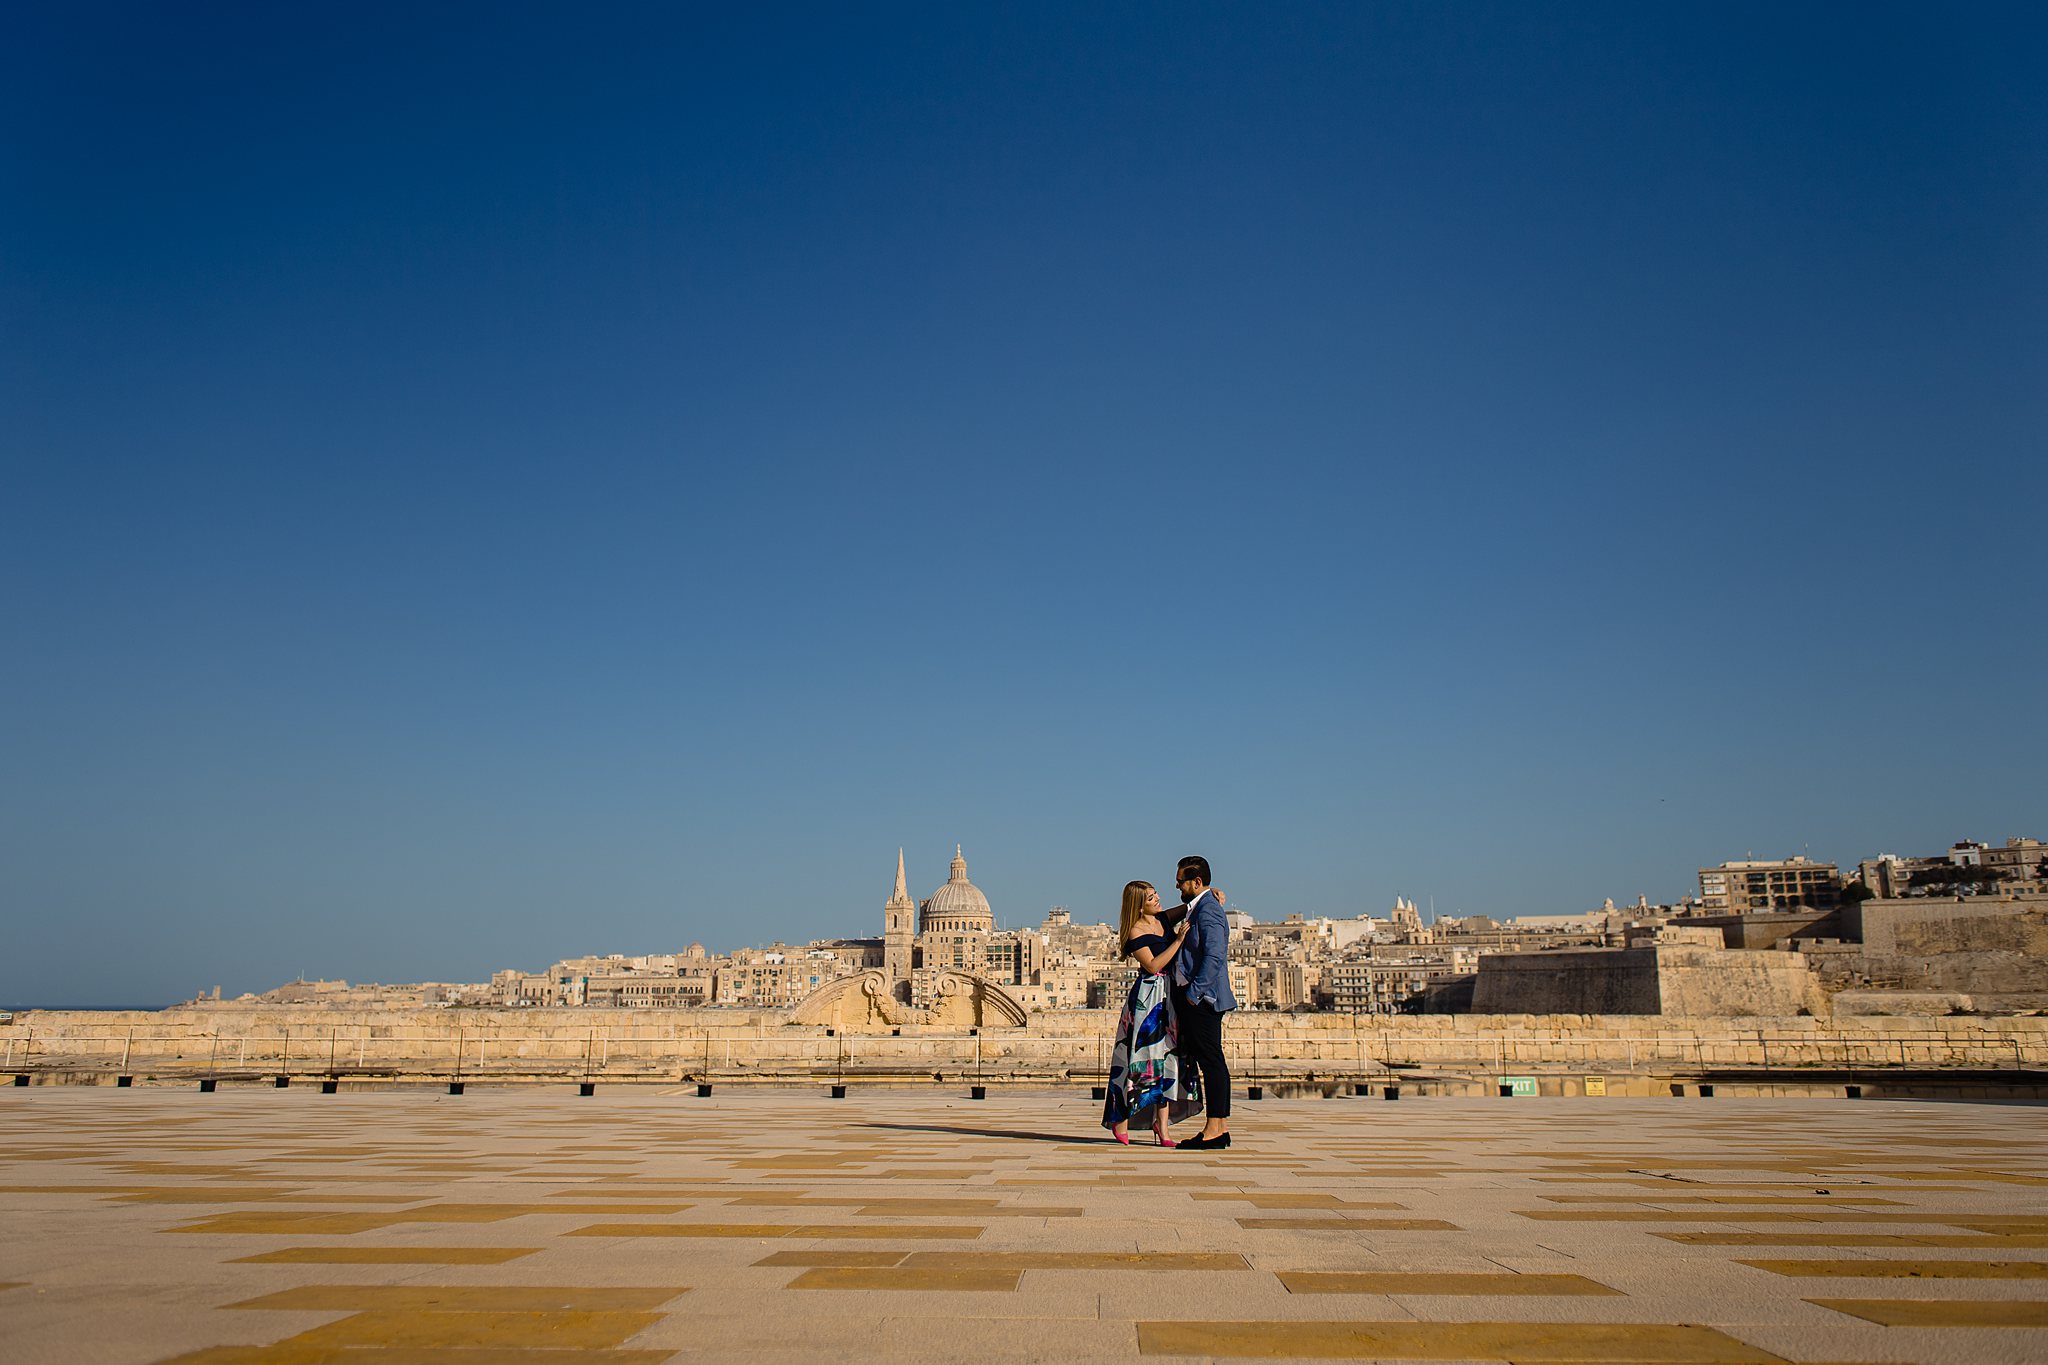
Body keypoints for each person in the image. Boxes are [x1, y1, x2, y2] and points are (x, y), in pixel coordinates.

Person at [1101, 881, 1199, 1145]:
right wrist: (1178, 940)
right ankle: (1121, 1119)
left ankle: (1163, 1127)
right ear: (1138, 904)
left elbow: (1190, 906)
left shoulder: (1163, 919)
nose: (1157, 900)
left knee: (1167, 1056)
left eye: (1156, 895)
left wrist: (1208, 894)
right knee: (1141, 1057)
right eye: (1151, 898)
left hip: (1171, 996)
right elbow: (1153, 964)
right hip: (1148, 998)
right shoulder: (1134, 932)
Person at [1169, 854, 1236, 1150]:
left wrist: (1194, 995)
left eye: (1181, 880)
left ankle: (1215, 1129)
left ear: (1196, 882)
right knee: (1211, 1061)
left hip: (1204, 1000)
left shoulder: (1207, 910)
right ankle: (1217, 1127)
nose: (1177, 885)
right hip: (1202, 998)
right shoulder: (1202, 906)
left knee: (1212, 1062)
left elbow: (1213, 956)